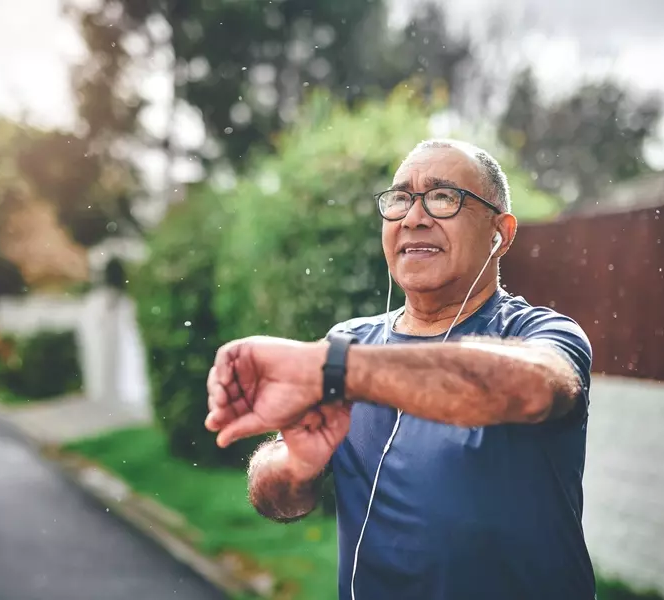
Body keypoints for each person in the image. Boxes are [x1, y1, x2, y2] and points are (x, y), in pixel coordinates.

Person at [204, 139, 596, 600]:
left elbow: (532, 385)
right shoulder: (349, 343)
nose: (413, 217)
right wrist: (296, 466)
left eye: (443, 197)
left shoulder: (539, 334)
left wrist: (338, 368)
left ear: (500, 233)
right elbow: (277, 501)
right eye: (400, 199)